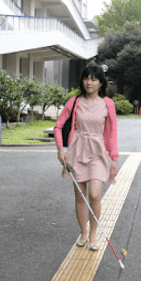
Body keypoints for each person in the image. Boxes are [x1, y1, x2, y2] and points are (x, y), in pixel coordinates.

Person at [54, 65, 119, 251]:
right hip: (77, 152)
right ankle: (84, 232)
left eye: (93, 79)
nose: (89, 82)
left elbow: (112, 133)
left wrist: (114, 158)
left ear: (100, 83)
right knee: (80, 197)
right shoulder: (74, 102)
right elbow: (58, 126)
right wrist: (61, 150)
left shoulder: (108, 103)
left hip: (98, 153)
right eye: (86, 78)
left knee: (94, 194)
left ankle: (93, 233)